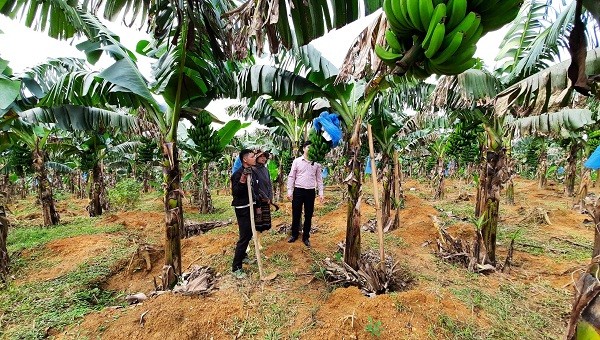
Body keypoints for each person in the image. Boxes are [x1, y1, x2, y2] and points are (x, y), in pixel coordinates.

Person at [286, 141, 324, 247]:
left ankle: (306, 237)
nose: (310, 149)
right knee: (296, 213)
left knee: (308, 215)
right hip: (298, 190)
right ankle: (294, 234)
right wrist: (290, 190)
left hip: (310, 191)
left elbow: (319, 179)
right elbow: (291, 176)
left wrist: (321, 193)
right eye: (308, 147)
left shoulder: (316, 163)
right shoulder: (297, 161)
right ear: (303, 149)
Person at [230, 149, 258, 278]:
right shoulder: (238, 174)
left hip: (251, 205)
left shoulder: (252, 171)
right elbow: (236, 193)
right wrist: (242, 179)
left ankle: (244, 256)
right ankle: (236, 267)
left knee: (250, 232)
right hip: (242, 207)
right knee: (244, 236)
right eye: (252, 156)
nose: (255, 158)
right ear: (245, 160)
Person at [254, 150, 273, 232]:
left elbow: (269, 183)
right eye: (261, 156)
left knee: (264, 223)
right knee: (257, 221)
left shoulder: (265, 169)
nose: (263, 158)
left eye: (264, 156)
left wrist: (270, 196)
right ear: (256, 157)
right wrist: (264, 197)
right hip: (258, 199)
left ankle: (259, 240)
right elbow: (255, 187)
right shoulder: (253, 170)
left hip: (266, 199)